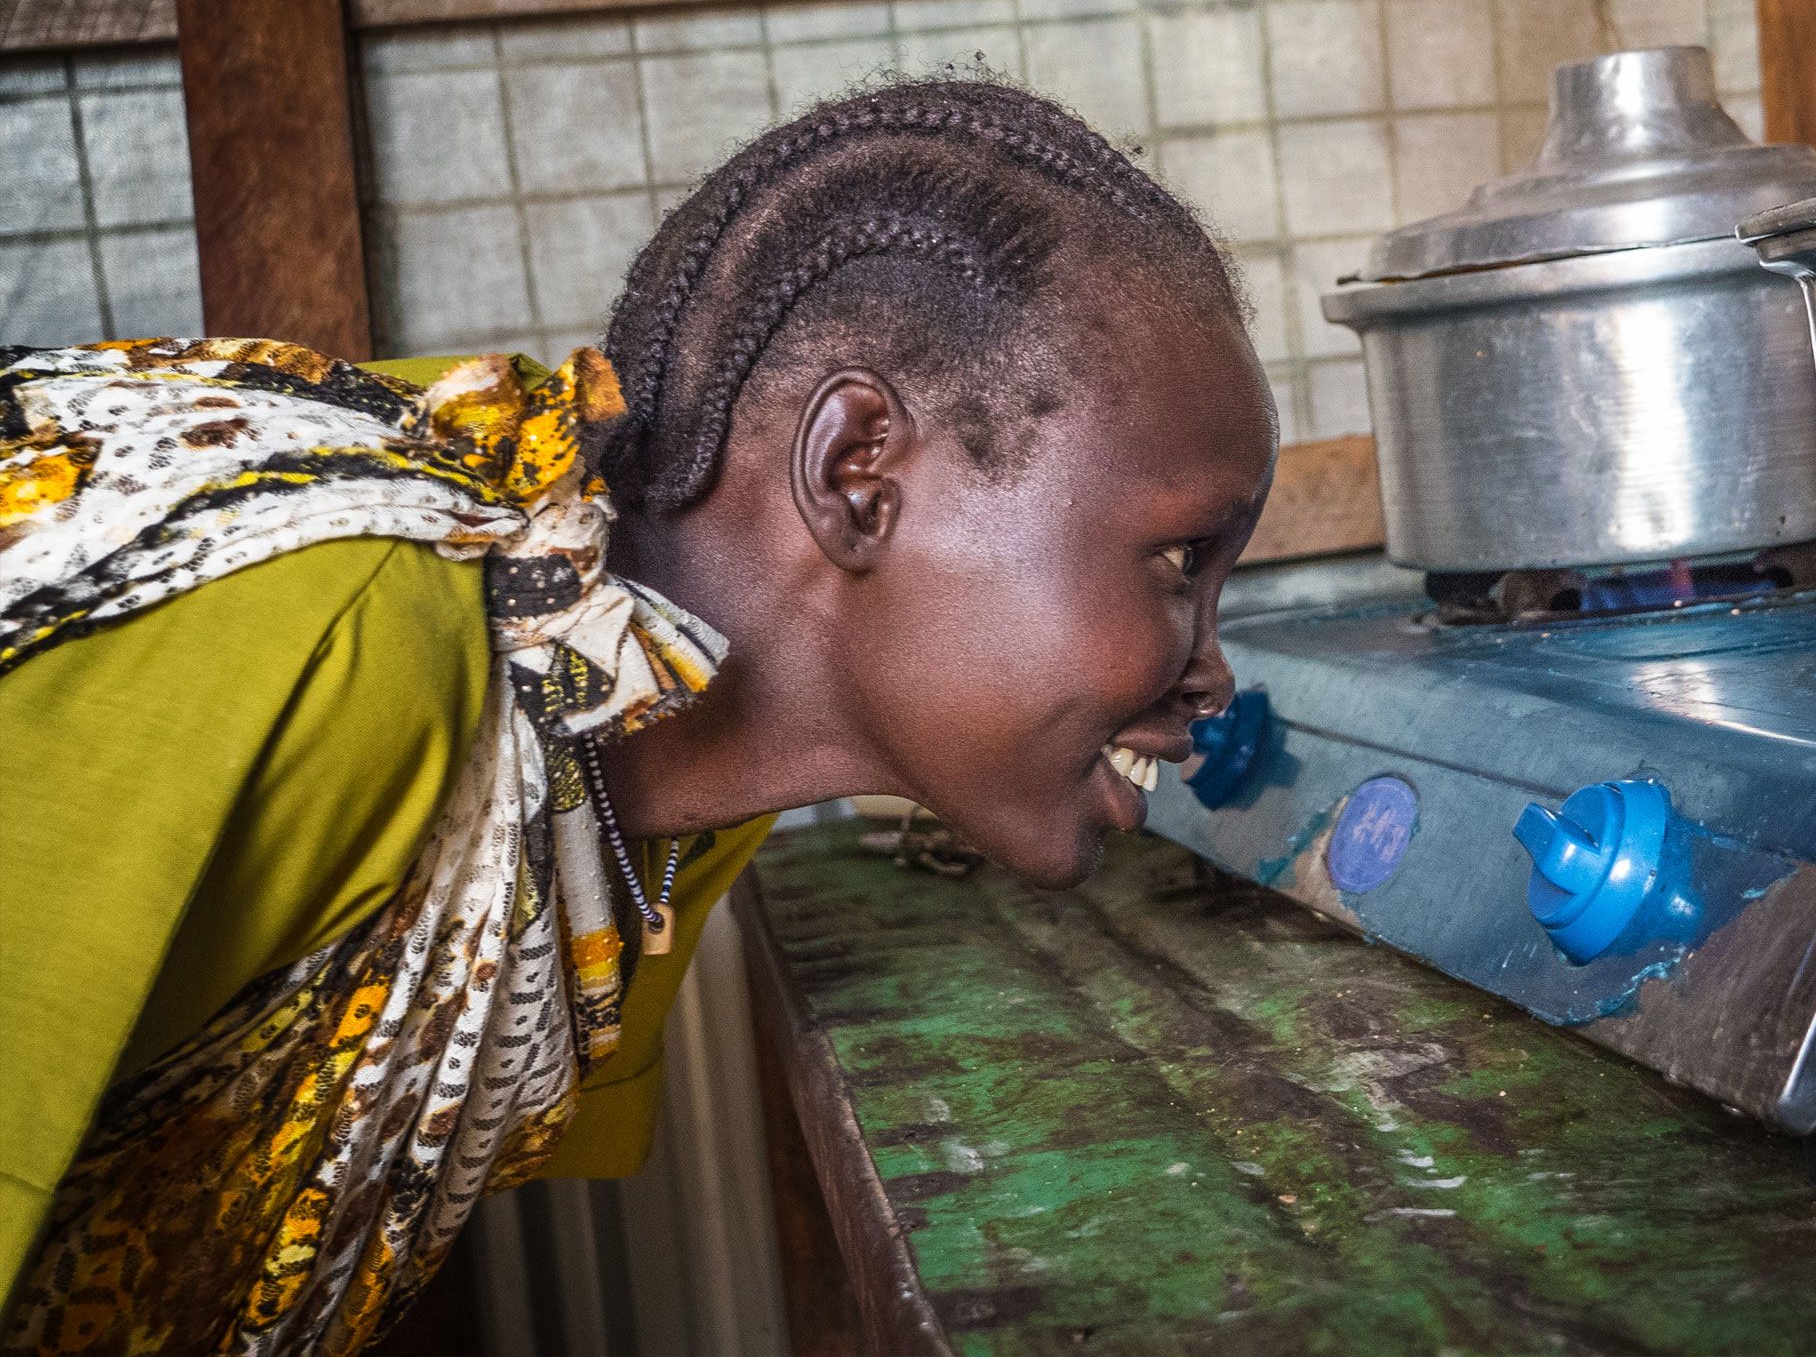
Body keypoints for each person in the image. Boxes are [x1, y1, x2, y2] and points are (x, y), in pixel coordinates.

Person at [0, 77, 1275, 1354]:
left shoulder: (654, 799)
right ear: (857, 473)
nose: (1210, 673)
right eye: (1177, 561)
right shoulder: (340, 628)